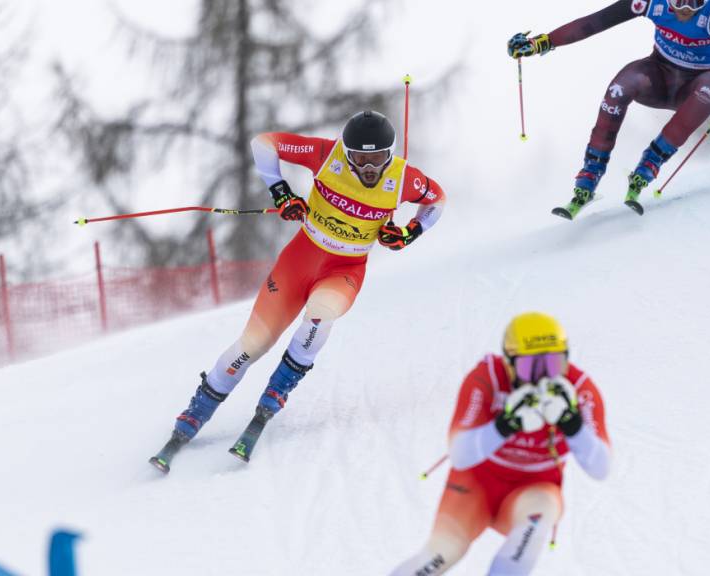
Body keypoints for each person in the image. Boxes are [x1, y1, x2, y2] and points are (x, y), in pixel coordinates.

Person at [149, 110, 446, 473]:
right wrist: (280, 191)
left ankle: (276, 393)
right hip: (298, 262)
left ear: (391, 152)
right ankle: (195, 412)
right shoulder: (326, 156)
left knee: (321, 316)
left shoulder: (403, 180)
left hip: (344, 270)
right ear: (346, 151)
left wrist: (409, 232)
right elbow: (264, 144)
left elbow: (437, 199)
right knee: (252, 345)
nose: (369, 167)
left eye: (378, 158)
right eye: (360, 158)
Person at [391, 312, 611, 575]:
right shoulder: (488, 378)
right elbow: (460, 454)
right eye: (529, 368)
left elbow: (601, 468)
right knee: (441, 554)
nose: (541, 378)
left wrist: (572, 424)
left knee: (528, 538)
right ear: (508, 363)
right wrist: (504, 425)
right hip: (474, 486)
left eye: (553, 365)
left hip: (534, 490)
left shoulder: (578, 389)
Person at [508, 0, 710, 218]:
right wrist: (542, 42)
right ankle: (590, 175)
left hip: (695, 90)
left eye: (693, 3)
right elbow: (596, 22)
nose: (685, 11)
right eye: (678, 3)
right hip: (658, 79)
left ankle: (650, 163)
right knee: (620, 87)